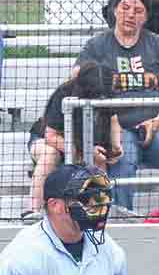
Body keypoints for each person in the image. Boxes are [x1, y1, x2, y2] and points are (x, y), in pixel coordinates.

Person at [77, 0, 159, 211]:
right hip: (116, 125)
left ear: (146, 17)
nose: (131, 14)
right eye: (125, 8)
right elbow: (77, 79)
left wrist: (157, 121)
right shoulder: (97, 46)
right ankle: (124, 218)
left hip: (157, 121)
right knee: (122, 156)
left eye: (138, 10)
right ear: (114, 10)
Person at [26, 63, 123, 219]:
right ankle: (33, 211)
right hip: (48, 140)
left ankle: (101, 213)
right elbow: (51, 136)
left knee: (100, 160)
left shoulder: (107, 91)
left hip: (84, 143)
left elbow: (114, 120)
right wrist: (84, 151)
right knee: (50, 155)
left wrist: (117, 145)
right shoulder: (64, 92)